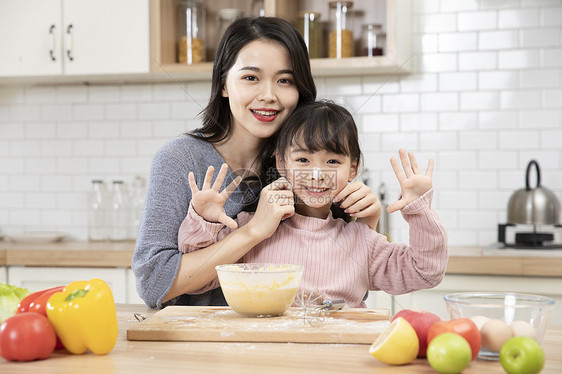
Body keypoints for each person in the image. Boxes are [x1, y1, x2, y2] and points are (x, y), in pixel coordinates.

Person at [178, 100, 449, 307]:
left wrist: (419, 210)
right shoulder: (251, 229)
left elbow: (425, 272)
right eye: (303, 160)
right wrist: (206, 219)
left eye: (332, 161)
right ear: (281, 163)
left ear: (352, 169)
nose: (317, 174)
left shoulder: (361, 240)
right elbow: (198, 283)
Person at [131, 17, 317, 309]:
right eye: (251, 78)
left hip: (285, 345)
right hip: (202, 348)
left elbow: (344, 290)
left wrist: (363, 226)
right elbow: (153, 283)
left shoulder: (305, 165)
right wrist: (253, 231)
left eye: (284, 80)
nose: (268, 96)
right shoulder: (180, 159)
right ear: (223, 84)